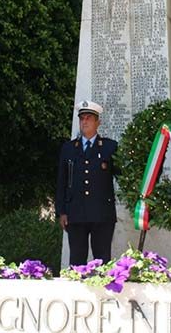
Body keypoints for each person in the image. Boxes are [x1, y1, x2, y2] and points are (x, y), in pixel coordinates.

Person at [55, 100, 119, 266]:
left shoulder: (109, 147)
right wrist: (61, 211)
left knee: (102, 260)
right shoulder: (69, 148)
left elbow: (122, 175)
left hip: (102, 214)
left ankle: (104, 292)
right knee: (76, 261)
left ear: (98, 122)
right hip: (75, 213)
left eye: (89, 118)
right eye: (82, 118)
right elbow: (61, 181)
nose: (84, 121)